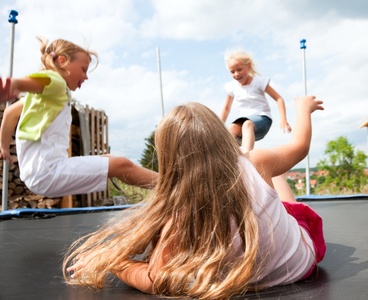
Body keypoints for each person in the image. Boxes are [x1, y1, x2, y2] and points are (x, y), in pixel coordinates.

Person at [63, 95, 325, 299]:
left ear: (168, 160)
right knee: (279, 193)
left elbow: (154, 280)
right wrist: (303, 108)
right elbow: (300, 146)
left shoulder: (178, 217)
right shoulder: (257, 163)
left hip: (260, 272)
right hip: (300, 263)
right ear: (222, 139)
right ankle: (245, 149)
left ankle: (247, 151)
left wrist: (115, 261)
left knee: (279, 196)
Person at [0, 37, 157, 198]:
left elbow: (9, 113)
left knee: (110, 159)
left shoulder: (42, 99)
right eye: (83, 69)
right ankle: (172, 185)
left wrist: (4, 147)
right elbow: (36, 82)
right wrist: (14, 84)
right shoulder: (56, 82)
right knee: (122, 164)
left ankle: (166, 186)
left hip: (40, 173)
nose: (86, 76)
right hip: (48, 173)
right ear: (62, 61)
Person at [220, 49, 291, 153]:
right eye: (232, 71)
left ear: (249, 66)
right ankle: (228, 158)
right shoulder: (232, 87)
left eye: (239, 69)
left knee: (247, 124)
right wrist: (219, 125)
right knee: (231, 129)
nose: (236, 74)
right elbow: (226, 108)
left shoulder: (259, 82)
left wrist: (283, 119)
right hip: (243, 122)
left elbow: (279, 98)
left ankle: (247, 159)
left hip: (262, 119)